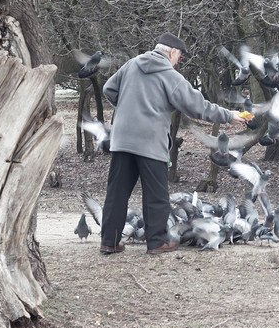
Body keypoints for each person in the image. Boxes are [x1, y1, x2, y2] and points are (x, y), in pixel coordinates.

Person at [100, 32, 245, 255]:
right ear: (172, 52)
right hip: (150, 142)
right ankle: (157, 242)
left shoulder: (131, 65)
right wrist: (229, 115)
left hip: (122, 139)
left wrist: (126, 110)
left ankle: (109, 241)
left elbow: (108, 89)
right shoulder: (170, 76)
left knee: (117, 193)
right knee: (156, 195)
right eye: (179, 57)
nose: (178, 62)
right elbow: (199, 107)